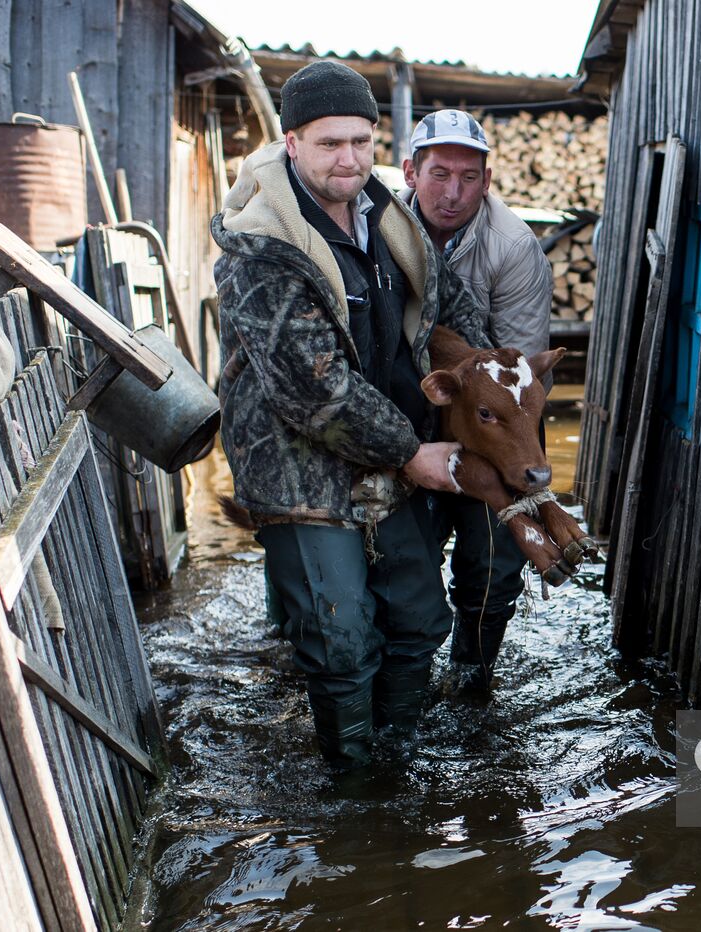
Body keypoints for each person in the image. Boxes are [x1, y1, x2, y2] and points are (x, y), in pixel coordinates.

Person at [211, 61, 489, 768]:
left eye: (362, 142)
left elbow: (449, 308)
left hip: (391, 452)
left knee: (421, 620)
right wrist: (412, 454)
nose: (350, 159)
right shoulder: (261, 245)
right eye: (331, 143)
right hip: (300, 465)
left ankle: (396, 757)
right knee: (340, 641)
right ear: (292, 141)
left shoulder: (388, 218)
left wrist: (487, 386)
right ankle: (352, 788)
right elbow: (315, 390)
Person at [402, 109, 554, 693]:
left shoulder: (513, 248)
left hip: (485, 419)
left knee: (492, 554)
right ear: (412, 173)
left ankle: (472, 677)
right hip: (402, 408)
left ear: (487, 181)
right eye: (439, 174)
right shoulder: (372, 228)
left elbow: (517, 380)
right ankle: (403, 684)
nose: (453, 192)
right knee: (397, 550)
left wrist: (494, 472)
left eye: (469, 178)